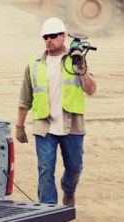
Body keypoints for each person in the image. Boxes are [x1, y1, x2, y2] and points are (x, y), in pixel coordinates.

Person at [15, 17, 97, 207]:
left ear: (63, 36)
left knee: (75, 168)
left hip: (72, 126)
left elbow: (91, 90)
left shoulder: (75, 61)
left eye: (53, 36)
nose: (49, 40)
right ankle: (48, 208)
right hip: (45, 126)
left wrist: (82, 69)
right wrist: (19, 126)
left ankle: (68, 190)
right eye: (45, 37)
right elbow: (24, 99)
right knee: (45, 168)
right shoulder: (34, 65)